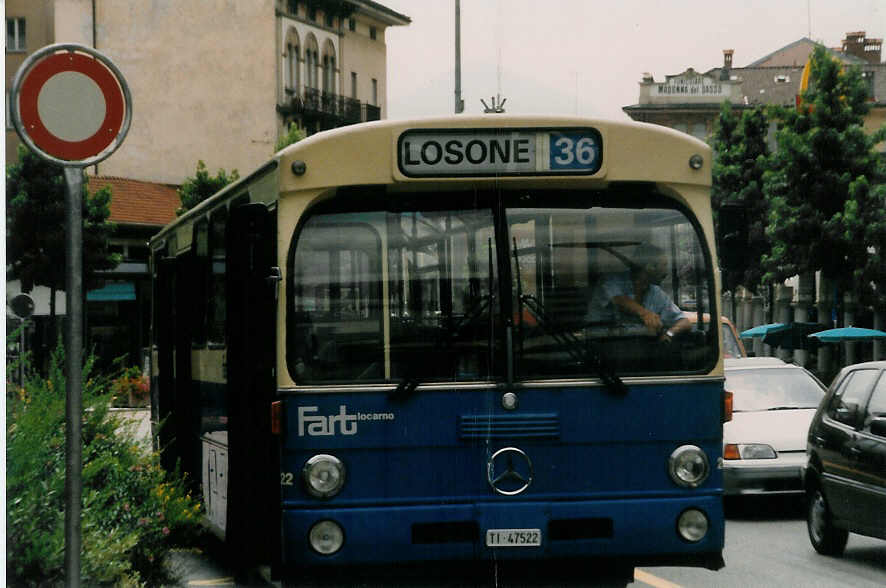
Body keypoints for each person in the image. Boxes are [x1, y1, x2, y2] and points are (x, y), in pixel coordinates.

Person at [587, 243, 691, 342]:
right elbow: (619, 300)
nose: (666, 272)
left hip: (638, 349)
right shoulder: (611, 281)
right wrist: (645, 313)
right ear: (650, 267)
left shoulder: (656, 292)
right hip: (603, 344)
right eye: (663, 265)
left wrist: (669, 334)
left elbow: (684, 322)